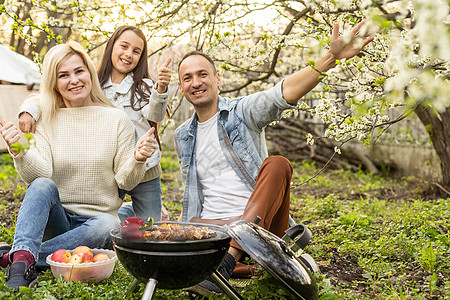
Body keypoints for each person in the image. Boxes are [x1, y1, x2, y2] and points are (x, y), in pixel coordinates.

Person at [175, 20, 374, 295]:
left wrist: (330, 58)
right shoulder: (183, 135)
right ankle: (253, 264)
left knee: (278, 164)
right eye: (188, 78)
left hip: (261, 228)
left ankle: (229, 261)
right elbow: (193, 196)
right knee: (185, 225)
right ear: (181, 86)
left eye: (202, 74)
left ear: (217, 78)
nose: (196, 82)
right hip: (212, 231)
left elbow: (281, 94)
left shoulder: (241, 113)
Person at [0, 41, 157, 291]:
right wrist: (19, 151)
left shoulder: (116, 119)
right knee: (42, 185)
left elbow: (125, 182)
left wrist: (137, 159)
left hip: (96, 226)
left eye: (79, 71)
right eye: (64, 75)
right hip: (58, 221)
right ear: (54, 82)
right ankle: (23, 264)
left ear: (89, 73)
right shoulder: (46, 118)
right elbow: (40, 177)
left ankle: (20, 257)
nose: (73, 80)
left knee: (108, 224)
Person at [18, 25, 172, 223]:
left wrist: (160, 88)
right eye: (124, 46)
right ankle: (124, 214)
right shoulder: (92, 82)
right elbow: (48, 96)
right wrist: (28, 110)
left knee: (149, 227)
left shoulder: (144, 86)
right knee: (110, 217)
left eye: (136, 51)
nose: (128, 54)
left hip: (146, 168)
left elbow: (155, 115)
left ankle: (145, 215)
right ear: (111, 47)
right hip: (113, 167)